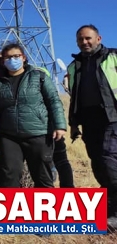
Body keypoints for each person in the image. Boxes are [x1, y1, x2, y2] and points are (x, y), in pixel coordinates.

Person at [0, 43, 66, 188]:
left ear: (23, 58)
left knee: (43, 177)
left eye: (16, 56)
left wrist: (60, 125)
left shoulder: (38, 76)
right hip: (9, 136)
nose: (12, 60)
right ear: (3, 61)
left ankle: (46, 210)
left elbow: (54, 100)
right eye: (8, 57)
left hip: (38, 133)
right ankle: (13, 209)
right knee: (8, 177)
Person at [66, 25, 117, 230]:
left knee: (109, 160)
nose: (84, 42)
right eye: (80, 40)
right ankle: (109, 205)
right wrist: (73, 123)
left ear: (98, 38)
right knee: (97, 164)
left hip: (112, 117)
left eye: (88, 38)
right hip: (88, 120)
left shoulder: (113, 58)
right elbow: (74, 98)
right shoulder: (74, 66)